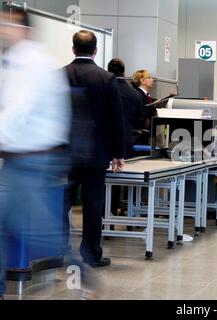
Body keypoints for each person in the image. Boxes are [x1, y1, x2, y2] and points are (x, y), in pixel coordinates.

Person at [0, 7, 71, 299]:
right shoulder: (13, 61)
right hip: (22, 158)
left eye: (7, 24)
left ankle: (77, 268)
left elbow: (18, 109)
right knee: (12, 225)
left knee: (33, 229)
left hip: (31, 158)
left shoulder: (30, 63)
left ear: (24, 30)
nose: (2, 29)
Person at [64, 30, 125, 268]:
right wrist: (118, 153)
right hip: (96, 153)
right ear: (96, 50)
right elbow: (116, 119)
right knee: (92, 203)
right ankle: (90, 253)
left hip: (65, 153)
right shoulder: (106, 78)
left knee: (62, 201)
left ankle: (58, 252)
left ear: (73, 49)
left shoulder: (59, 76)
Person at [107, 58, 145, 159]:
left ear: (108, 71)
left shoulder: (103, 90)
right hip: (126, 140)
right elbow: (139, 123)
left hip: (106, 141)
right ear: (124, 73)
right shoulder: (135, 94)